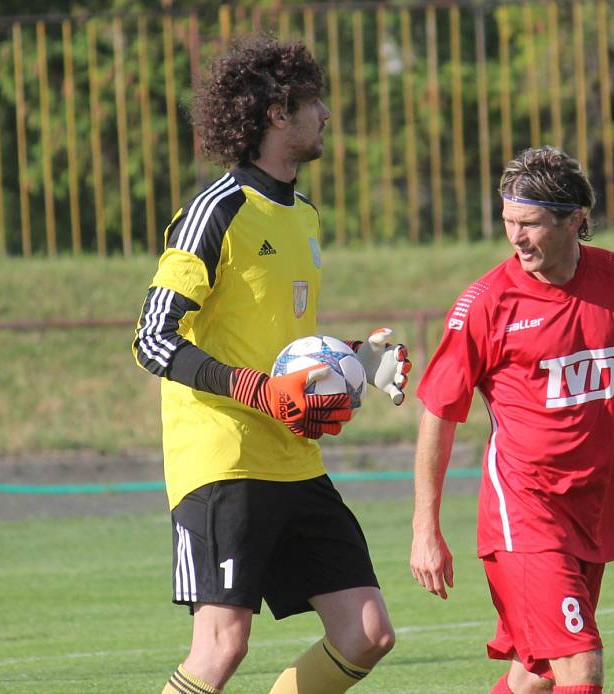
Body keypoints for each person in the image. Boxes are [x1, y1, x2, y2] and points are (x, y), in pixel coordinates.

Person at [133, 35, 410, 694]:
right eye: (314, 102)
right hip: (223, 462)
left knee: (366, 633)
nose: (326, 116)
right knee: (222, 646)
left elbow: (288, 346)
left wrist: (359, 360)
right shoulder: (215, 211)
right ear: (276, 113)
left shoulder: (305, 216)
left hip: (294, 458)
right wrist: (256, 389)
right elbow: (152, 338)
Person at [409, 146, 614, 694]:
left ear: (575, 220)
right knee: (580, 668)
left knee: (534, 677)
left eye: (530, 223)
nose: (516, 238)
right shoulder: (485, 303)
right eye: (507, 222)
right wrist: (424, 529)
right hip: (524, 514)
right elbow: (439, 415)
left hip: (592, 510)